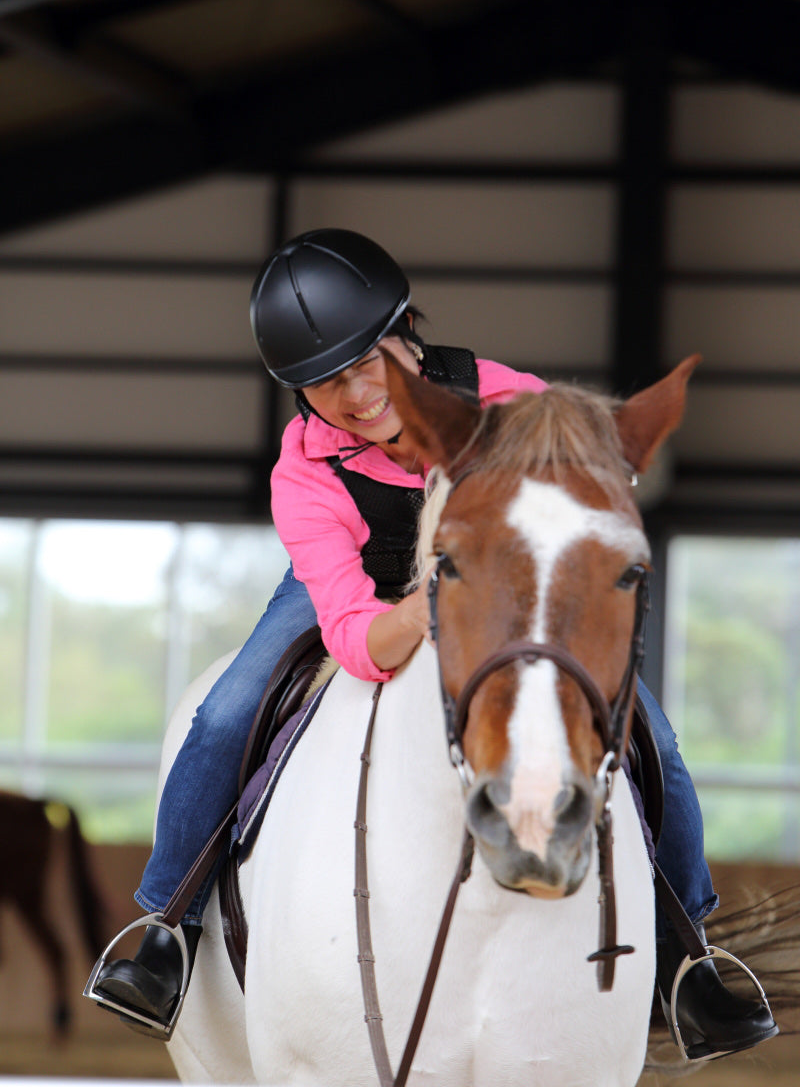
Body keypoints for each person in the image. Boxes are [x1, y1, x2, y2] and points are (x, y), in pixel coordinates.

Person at [88, 228, 776, 1058]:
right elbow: (353, 637)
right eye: (324, 382)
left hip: (485, 585)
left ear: (405, 329)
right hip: (359, 596)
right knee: (228, 712)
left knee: (652, 734)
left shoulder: (507, 400)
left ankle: (689, 952)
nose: (357, 393)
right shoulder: (305, 474)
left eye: (368, 360)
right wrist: (427, 606)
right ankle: (166, 925)